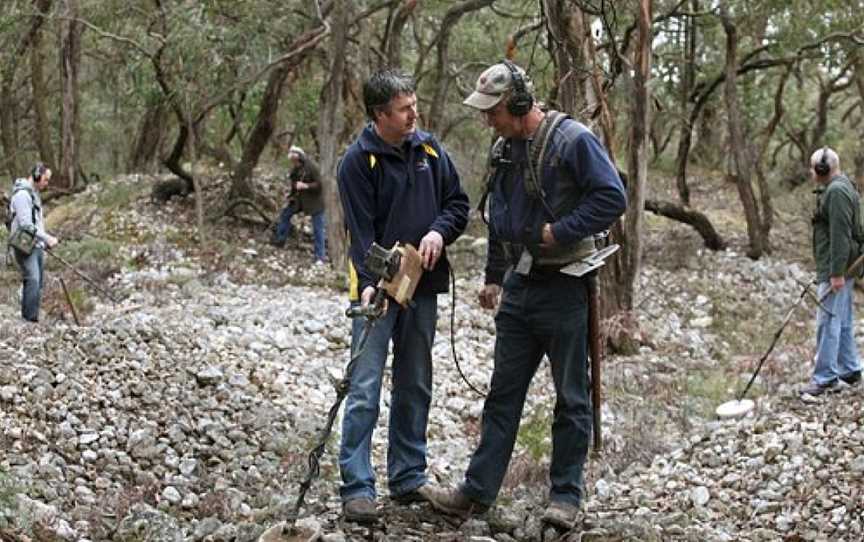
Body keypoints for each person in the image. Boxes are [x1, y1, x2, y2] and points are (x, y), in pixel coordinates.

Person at [423, 61, 627, 530]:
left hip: (565, 285)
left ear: (517, 104)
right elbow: (499, 213)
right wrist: (494, 276)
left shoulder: (572, 140)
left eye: (493, 111)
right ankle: (477, 492)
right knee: (502, 394)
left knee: (572, 399)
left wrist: (562, 230)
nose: (487, 120)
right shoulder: (502, 149)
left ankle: (565, 498)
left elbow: (611, 197)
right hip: (520, 286)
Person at [335, 69, 470, 523]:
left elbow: (458, 205)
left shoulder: (430, 150)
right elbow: (360, 232)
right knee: (365, 387)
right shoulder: (357, 162)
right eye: (403, 108)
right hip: (376, 291)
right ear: (379, 115)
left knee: (415, 381)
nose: (414, 113)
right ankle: (356, 486)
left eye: (414, 104)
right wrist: (374, 281)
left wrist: (437, 232)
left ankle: (408, 475)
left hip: (424, 288)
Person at [800, 147, 862, 397]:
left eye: (813, 167)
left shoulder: (836, 192)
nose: (811, 171)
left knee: (827, 321)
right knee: (843, 319)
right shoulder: (840, 186)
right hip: (840, 266)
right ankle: (849, 369)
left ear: (822, 169)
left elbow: (840, 235)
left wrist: (836, 273)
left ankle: (825, 377)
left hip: (837, 267)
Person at [7, 163, 59, 323]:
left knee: (37, 282)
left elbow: (37, 222)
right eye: (46, 179)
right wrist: (47, 238)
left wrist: (43, 243)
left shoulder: (34, 194)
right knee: (33, 279)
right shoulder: (22, 195)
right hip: (24, 245)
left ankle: (29, 316)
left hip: (35, 245)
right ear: (37, 175)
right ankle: (29, 320)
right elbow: (26, 225)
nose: (47, 183)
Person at [271, 146, 327, 263]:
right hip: (299, 201)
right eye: (292, 160)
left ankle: (320, 257)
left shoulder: (312, 167)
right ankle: (280, 240)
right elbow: (293, 186)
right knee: (285, 215)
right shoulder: (295, 171)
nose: (294, 162)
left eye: (295, 160)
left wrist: (306, 186)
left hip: (315, 202)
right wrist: (291, 196)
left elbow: (320, 185)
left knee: (318, 229)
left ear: (300, 158)